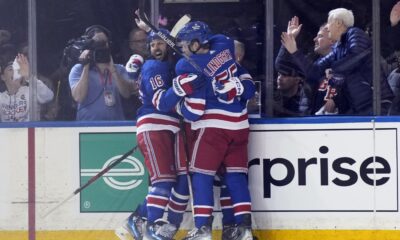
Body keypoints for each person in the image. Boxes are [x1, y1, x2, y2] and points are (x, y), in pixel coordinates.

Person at [174, 21, 255, 240]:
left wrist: (179, 107)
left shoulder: (185, 65)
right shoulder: (225, 48)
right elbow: (218, 39)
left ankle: (202, 229)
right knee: (236, 177)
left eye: (184, 42)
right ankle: (245, 228)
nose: (181, 46)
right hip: (239, 124)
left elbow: (195, 110)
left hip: (213, 127)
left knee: (202, 176)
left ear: (196, 42)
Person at [116, 28, 199, 240]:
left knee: (179, 180)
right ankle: (150, 226)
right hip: (155, 124)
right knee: (162, 180)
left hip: (172, 127)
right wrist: (182, 94)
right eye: (152, 45)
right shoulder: (153, 66)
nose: (156, 48)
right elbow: (160, 101)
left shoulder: (168, 66)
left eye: (160, 44)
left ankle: (161, 224)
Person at [281, 8, 394, 115]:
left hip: (379, 105)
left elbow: (356, 57)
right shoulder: (337, 49)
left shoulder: (355, 33)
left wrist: (332, 71)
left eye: (329, 23)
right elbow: (314, 72)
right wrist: (294, 51)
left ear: (339, 23)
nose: (327, 28)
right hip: (360, 109)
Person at [68, 25, 135, 120]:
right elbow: (79, 97)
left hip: (116, 127)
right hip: (86, 127)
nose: (103, 46)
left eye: (105, 43)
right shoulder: (78, 69)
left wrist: (113, 70)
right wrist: (86, 66)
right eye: (98, 43)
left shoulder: (119, 69)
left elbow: (126, 94)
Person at [0, 53, 53, 121]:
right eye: (10, 69)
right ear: (3, 77)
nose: (15, 72)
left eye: (17, 69)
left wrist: (29, 77)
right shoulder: (1, 98)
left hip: (31, 131)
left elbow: (49, 96)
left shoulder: (30, 92)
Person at [274, 50, 312, 117]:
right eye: (279, 74)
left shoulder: (305, 99)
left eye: (284, 75)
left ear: (297, 80)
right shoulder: (271, 95)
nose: (279, 78)